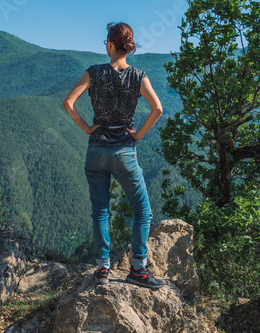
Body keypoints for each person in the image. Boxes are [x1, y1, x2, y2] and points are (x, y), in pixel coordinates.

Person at [62, 22, 165, 289]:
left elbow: (68, 103)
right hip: (124, 153)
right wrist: (138, 135)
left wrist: (86, 128)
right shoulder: (138, 75)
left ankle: (102, 269)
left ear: (109, 45)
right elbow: (157, 109)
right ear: (128, 47)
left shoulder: (93, 72)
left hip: (95, 150)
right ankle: (138, 269)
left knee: (100, 212)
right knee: (142, 210)